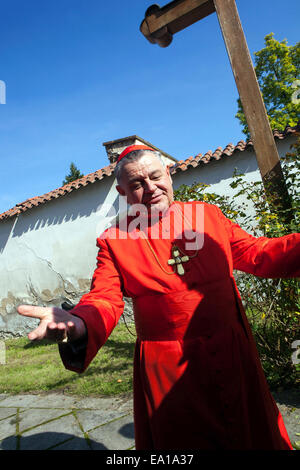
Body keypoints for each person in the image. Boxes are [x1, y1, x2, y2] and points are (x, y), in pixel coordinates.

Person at [18, 145, 300, 450]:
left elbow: (258, 254)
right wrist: (79, 322)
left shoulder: (208, 216)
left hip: (234, 354)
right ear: (122, 192)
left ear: (168, 174)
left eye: (155, 176)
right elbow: (105, 298)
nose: (150, 188)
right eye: (137, 184)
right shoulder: (115, 241)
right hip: (169, 369)